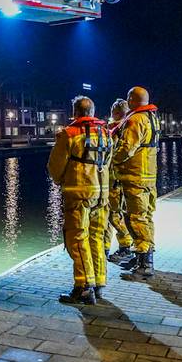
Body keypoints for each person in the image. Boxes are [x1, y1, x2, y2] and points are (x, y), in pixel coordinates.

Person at [47, 95, 113, 305]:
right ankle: (99, 283)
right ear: (92, 113)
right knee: (97, 237)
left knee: (78, 239)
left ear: (75, 112)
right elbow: (108, 161)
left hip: (78, 194)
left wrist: (60, 180)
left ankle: (84, 288)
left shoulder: (69, 134)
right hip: (101, 194)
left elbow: (55, 166)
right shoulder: (106, 133)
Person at [112, 85, 161, 279]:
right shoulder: (152, 118)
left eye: (128, 98)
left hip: (135, 176)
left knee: (135, 218)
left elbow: (126, 149)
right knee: (146, 216)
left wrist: (111, 158)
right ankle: (142, 255)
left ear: (132, 99)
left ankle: (145, 262)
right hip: (148, 175)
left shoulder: (135, 119)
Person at [106, 99, 135, 264]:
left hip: (114, 180)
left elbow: (113, 155)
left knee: (114, 216)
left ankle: (126, 247)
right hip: (122, 179)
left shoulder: (117, 130)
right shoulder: (128, 128)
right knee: (120, 214)